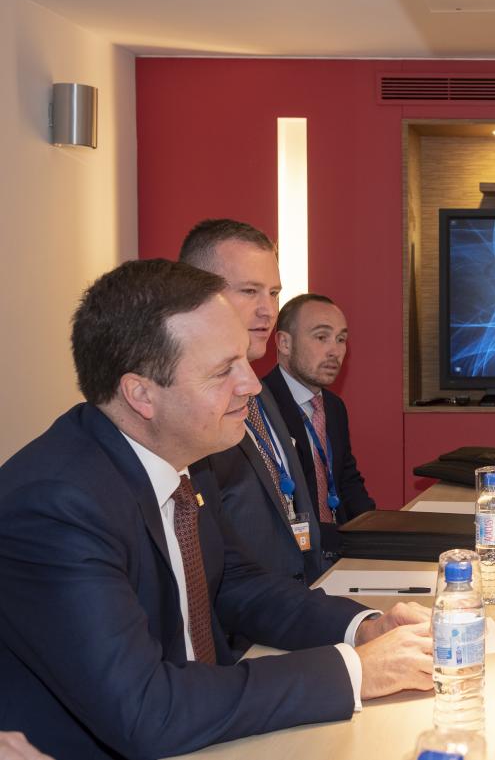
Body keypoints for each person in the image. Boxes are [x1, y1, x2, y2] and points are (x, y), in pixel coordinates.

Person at [0, 259, 432, 759]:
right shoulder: (56, 507)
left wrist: (365, 629)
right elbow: (147, 711)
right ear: (141, 394)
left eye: (245, 361)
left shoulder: (185, 456)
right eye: (223, 370)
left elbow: (238, 584)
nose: (251, 384)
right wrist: (355, 671)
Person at [180, 219, 328, 583]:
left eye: (274, 293)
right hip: (243, 626)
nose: (268, 310)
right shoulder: (187, 412)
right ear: (196, 296)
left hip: (296, 606)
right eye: (250, 292)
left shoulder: (261, 395)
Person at [263, 293, 376, 555]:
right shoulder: (257, 407)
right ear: (284, 343)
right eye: (321, 337)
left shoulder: (334, 407)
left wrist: (376, 533)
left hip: (340, 547)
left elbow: (346, 479)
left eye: (341, 339)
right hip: (292, 555)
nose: (335, 350)